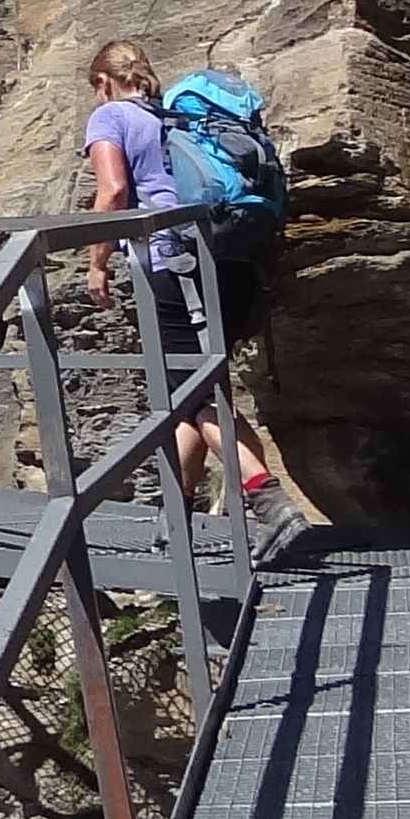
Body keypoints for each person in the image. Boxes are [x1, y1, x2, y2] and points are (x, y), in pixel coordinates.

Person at [80, 38, 269, 500]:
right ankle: (174, 516)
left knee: (198, 396)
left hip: (175, 268)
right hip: (233, 262)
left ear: (104, 82)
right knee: (186, 400)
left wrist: (97, 263)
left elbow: (113, 191)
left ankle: (270, 499)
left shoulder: (111, 116)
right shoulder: (178, 115)